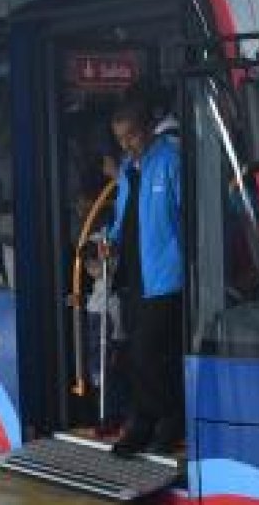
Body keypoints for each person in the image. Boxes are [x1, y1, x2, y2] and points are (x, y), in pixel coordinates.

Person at [102, 96, 185, 457]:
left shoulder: (171, 161)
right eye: (121, 139)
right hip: (134, 275)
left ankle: (168, 418)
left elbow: (189, 217)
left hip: (166, 276)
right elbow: (123, 218)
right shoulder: (127, 169)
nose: (127, 145)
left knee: (146, 354)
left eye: (132, 136)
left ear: (149, 129)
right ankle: (143, 422)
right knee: (132, 355)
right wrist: (109, 240)